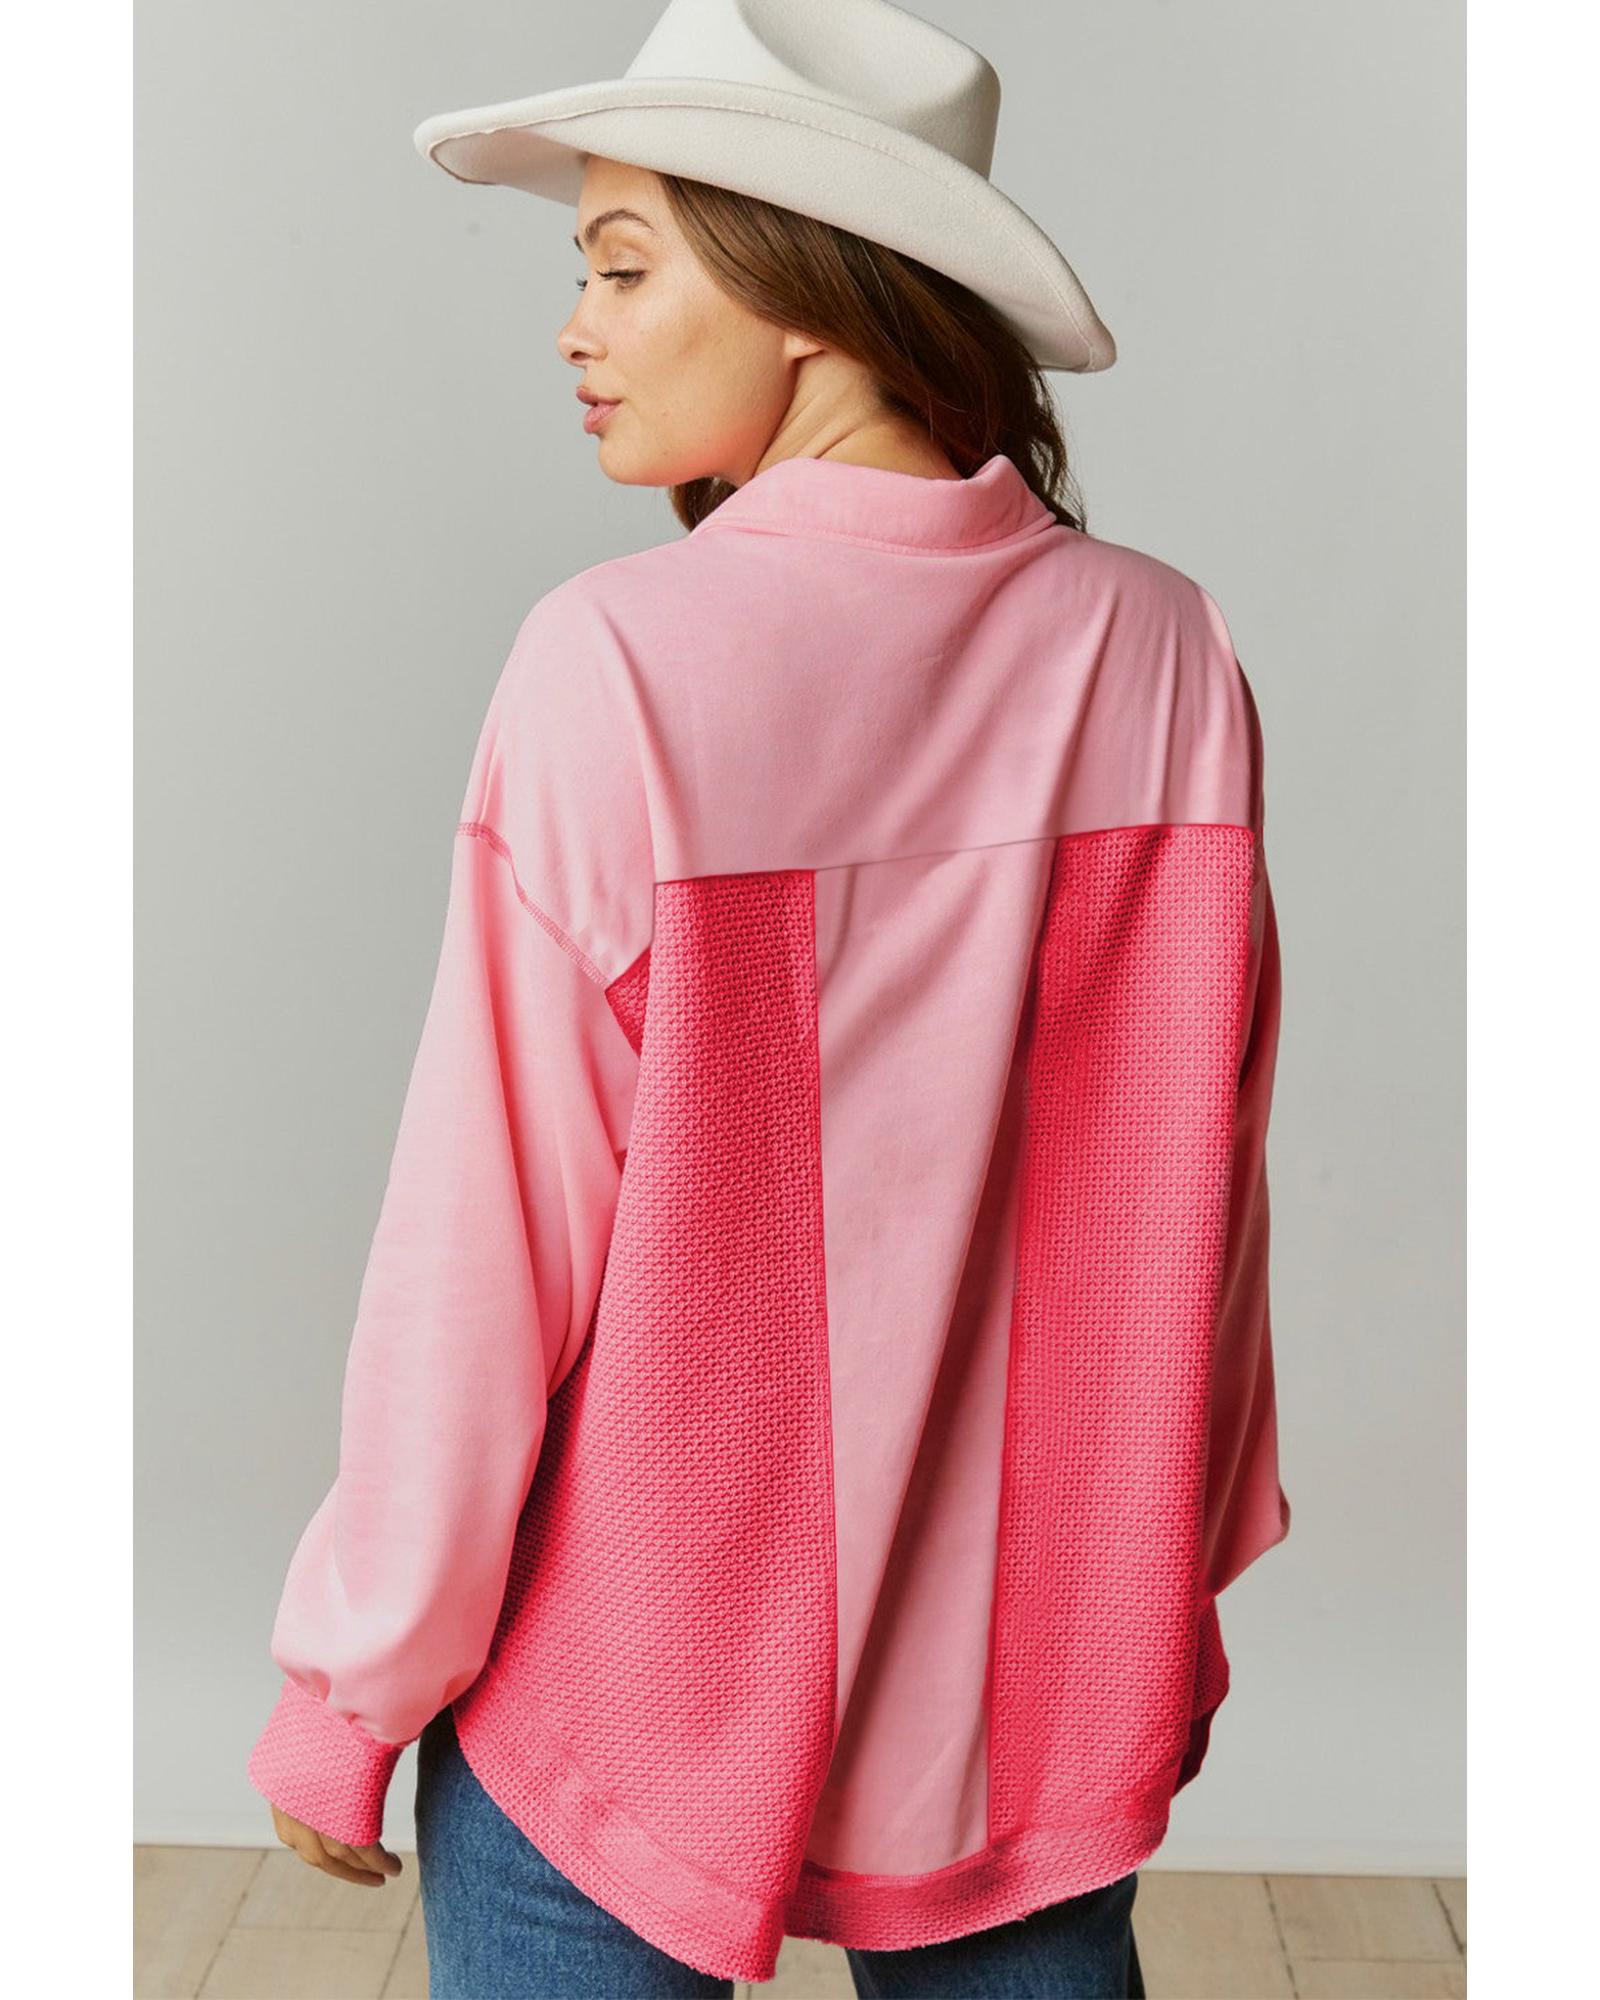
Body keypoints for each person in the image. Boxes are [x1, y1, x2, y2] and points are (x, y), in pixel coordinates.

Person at [246, 3, 1292, 1995]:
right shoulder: (1166, 655)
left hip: (624, 1678)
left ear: (806, 291)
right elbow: (1205, 1188)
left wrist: (351, 1685)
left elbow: (489, 1242)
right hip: (1022, 1682)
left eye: (623, 266)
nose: (574, 327)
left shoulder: (616, 661)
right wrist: (1160, 1572)